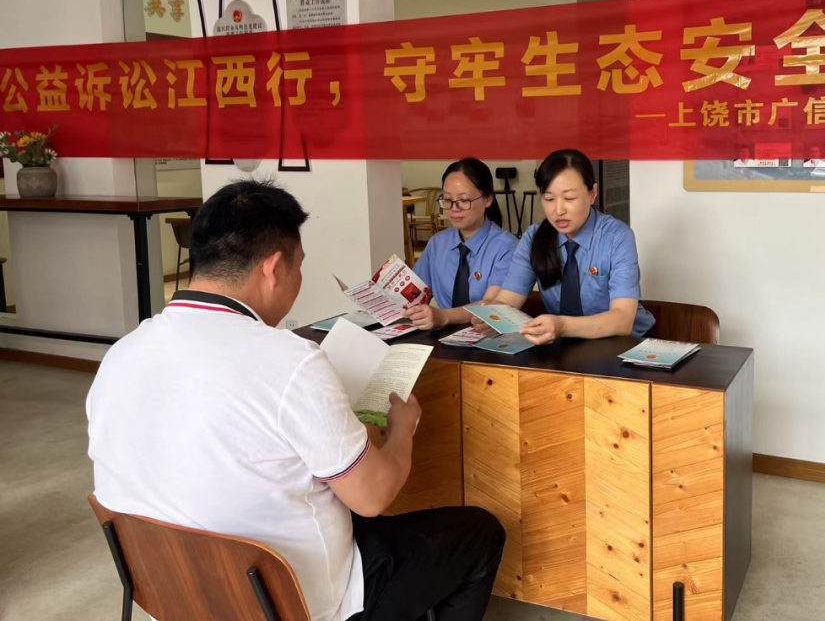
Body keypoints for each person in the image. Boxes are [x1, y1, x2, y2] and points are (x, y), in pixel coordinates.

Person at [87, 179, 504, 621]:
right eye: (298, 266)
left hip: (169, 593)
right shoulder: (289, 361)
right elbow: (373, 496)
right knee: (478, 533)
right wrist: (402, 429)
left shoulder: (122, 353)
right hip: (283, 602)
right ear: (273, 268)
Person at [488, 148, 655, 344]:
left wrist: (562, 326)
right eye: (549, 199)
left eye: (569, 198)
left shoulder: (617, 237)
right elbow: (508, 300)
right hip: (563, 344)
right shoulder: (534, 237)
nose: (558, 210)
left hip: (624, 344)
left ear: (592, 193)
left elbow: (622, 320)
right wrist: (489, 316)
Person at [404, 158, 518, 330]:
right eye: (447, 200)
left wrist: (442, 317)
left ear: (488, 199)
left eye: (464, 200)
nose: (454, 208)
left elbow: (490, 305)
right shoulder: (438, 243)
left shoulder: (506, 247)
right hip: (441, 336)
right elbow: (413, 293)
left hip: (487, 336)